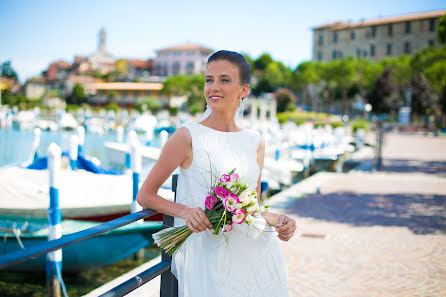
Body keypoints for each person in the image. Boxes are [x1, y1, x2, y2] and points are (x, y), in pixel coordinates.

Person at [137, 50, 296, 297]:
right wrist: (187, 212)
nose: (213, 87)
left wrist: (278, 220)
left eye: (224, 80)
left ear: (244, 90)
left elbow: (251, 207)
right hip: (206, 255)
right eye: (209, 80)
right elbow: (145, 196)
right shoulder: (187, 136)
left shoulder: (255, 141)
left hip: (253, 253)